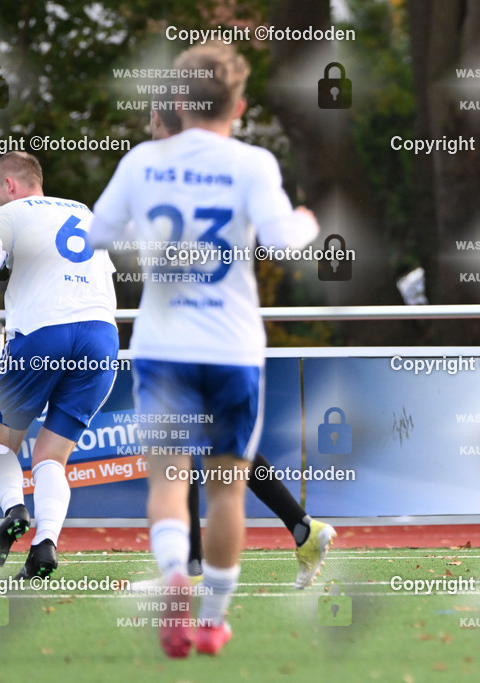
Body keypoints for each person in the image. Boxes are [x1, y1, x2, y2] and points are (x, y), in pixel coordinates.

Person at [89, 43, 328, 658]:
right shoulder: (252, 163)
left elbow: (95, 235)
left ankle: (173, 574)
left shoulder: (143, 161)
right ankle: (215, 620)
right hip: (232, 346)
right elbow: (284, 244)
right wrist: (304, 217)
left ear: (177, 102)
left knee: (169, 479)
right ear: (240, 106)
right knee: (227, 486)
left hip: (164, 345)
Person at [147, 92, 336, 588]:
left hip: (192, 337)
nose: (149, 132)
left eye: (153, 122)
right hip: (228, 337)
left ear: (171, 124)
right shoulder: (229, 169)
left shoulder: (161, 176)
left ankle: (189, 568)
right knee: (224, 446)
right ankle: (302, 527)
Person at [0, 151, 119, 579]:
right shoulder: (86, 212)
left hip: (43, 334)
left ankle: (13, 509)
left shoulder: (11, 214)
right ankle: (46, 546)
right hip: (102, 339)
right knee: (51, 457)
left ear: (10, 185)